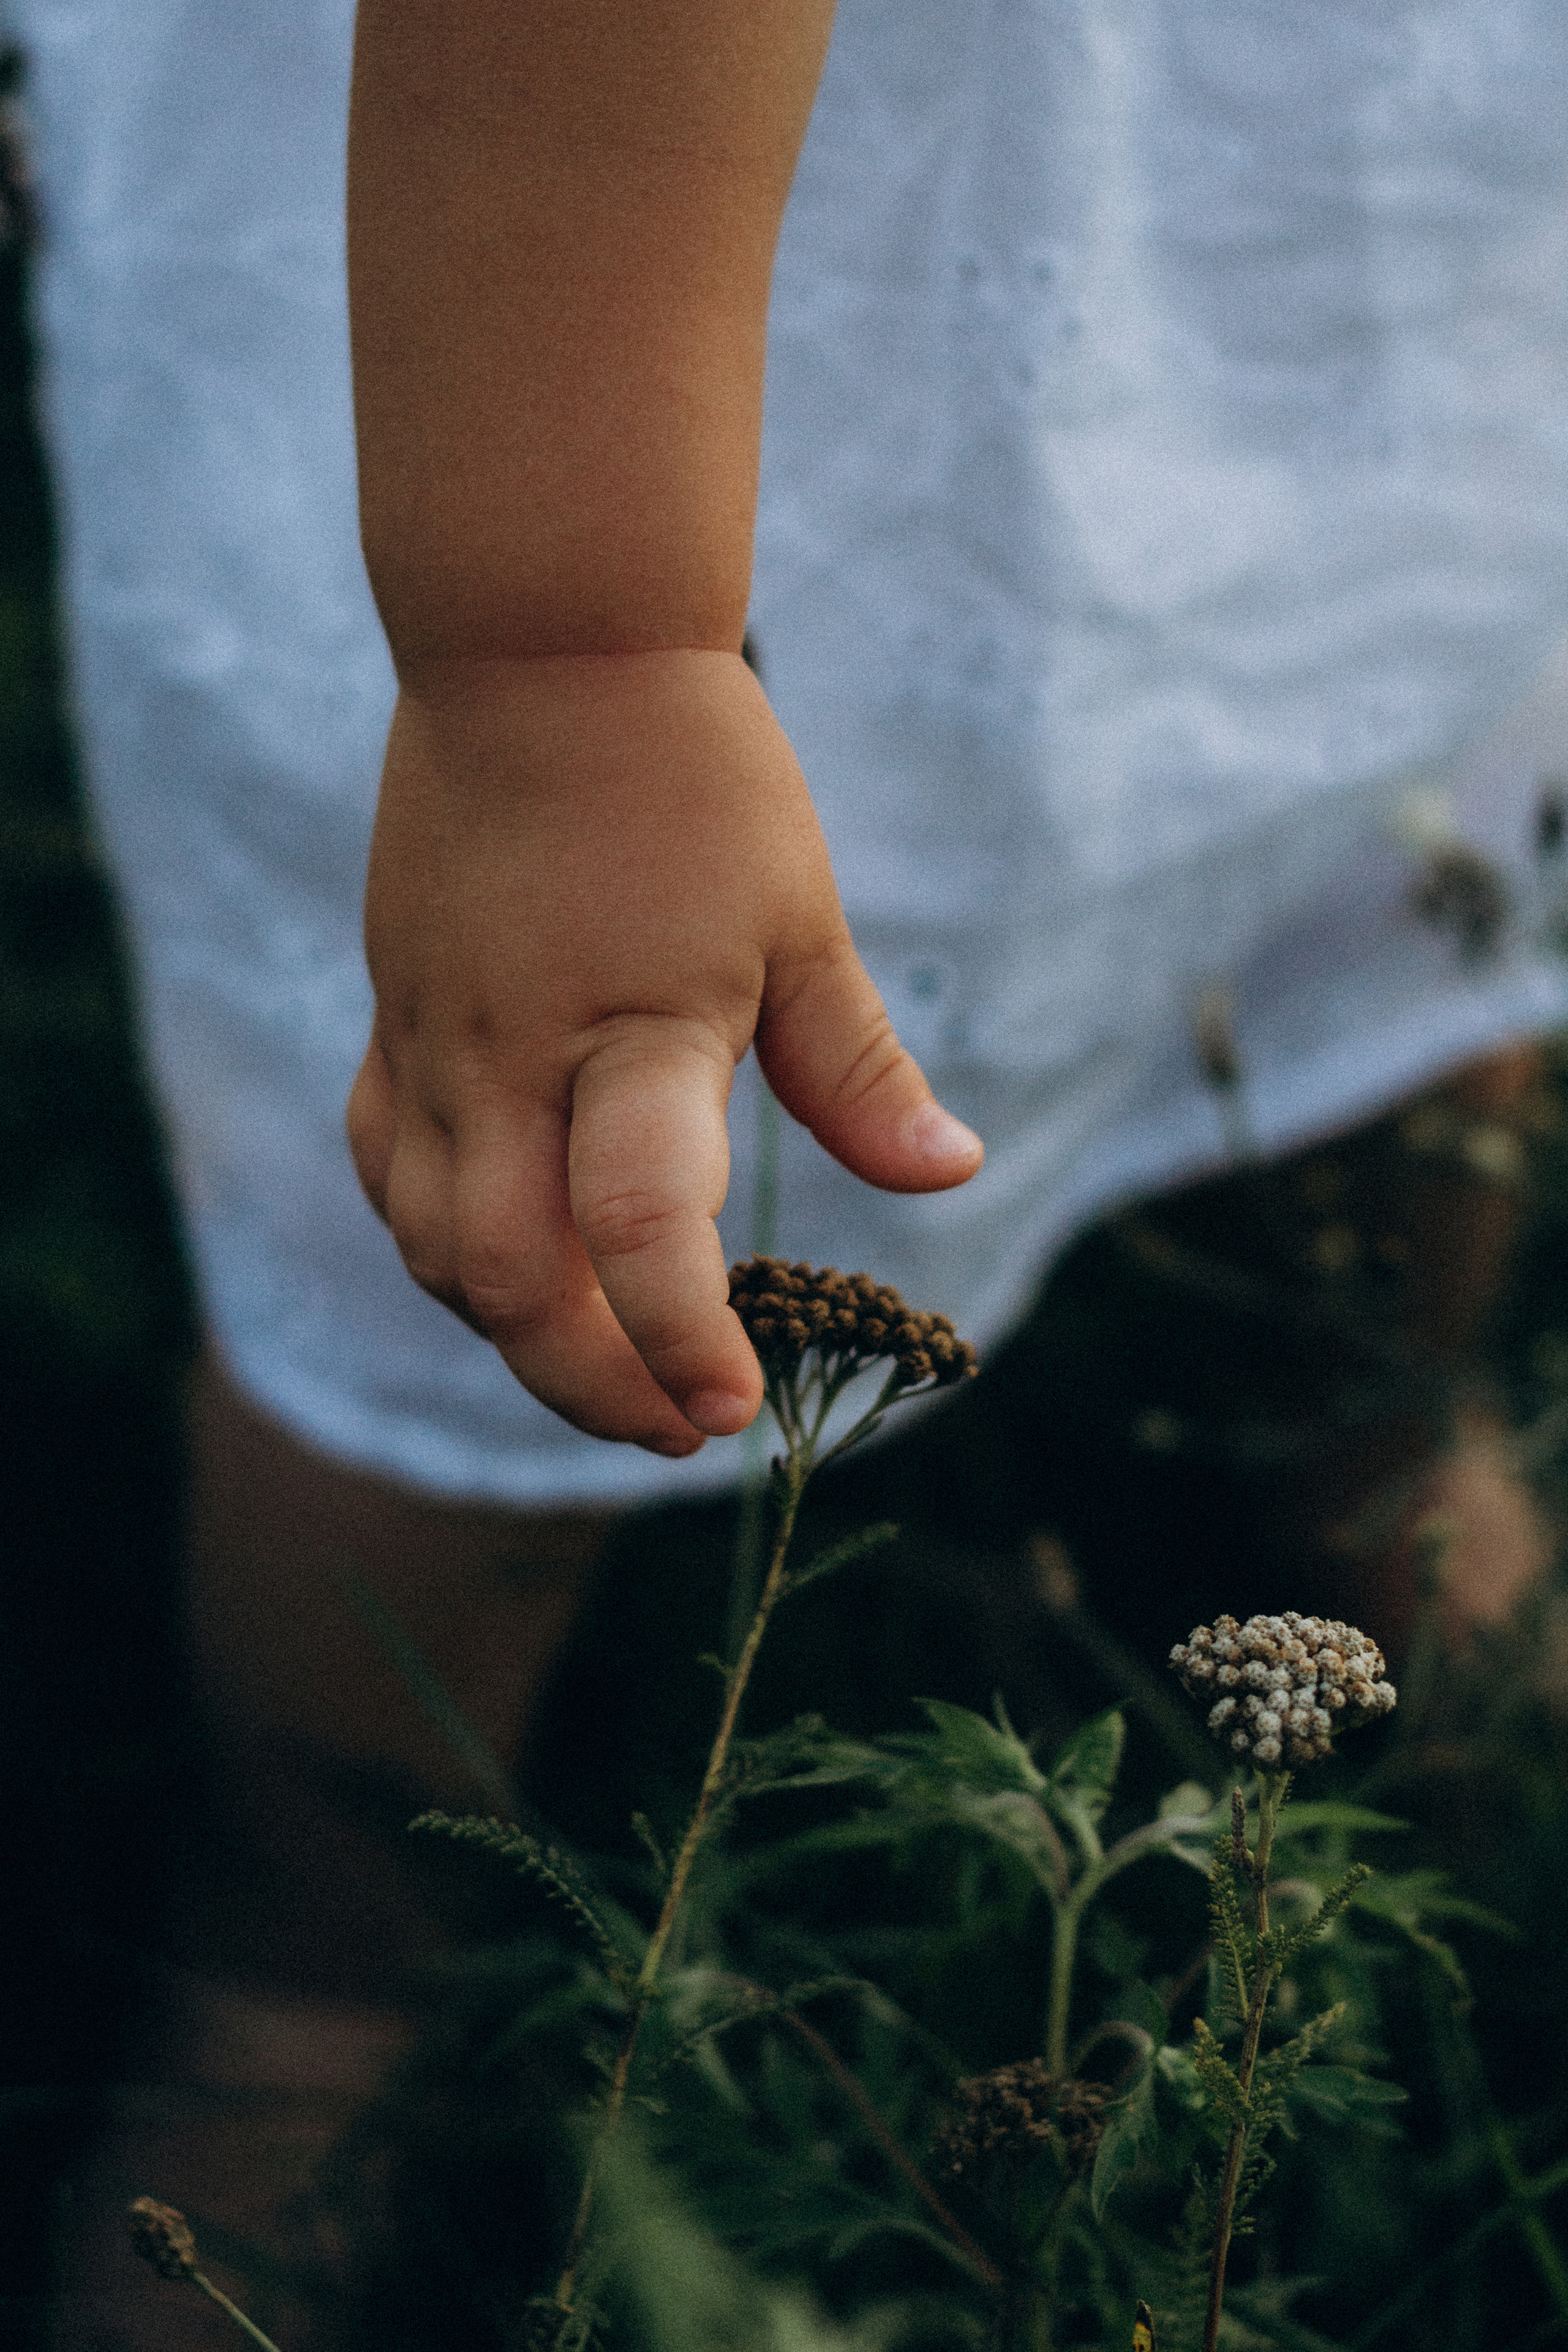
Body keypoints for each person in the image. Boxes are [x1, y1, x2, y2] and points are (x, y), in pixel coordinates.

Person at [9, 1, 1568, 2338]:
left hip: (1305, 207)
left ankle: (1356, 1417)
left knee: (1367, 830)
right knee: (525, 1183)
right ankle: (319, 1967)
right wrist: (572, 667)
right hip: (555, 334)